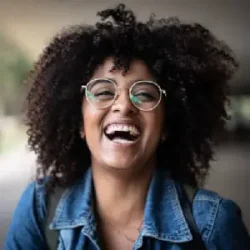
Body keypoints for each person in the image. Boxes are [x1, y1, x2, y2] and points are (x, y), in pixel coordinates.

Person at [4, 3, 250, 250]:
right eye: (103, 91)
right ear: (79, 122)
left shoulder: (215, 223)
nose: (124, 105)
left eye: (144, 94)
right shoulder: (40, 206)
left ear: (166, 125)